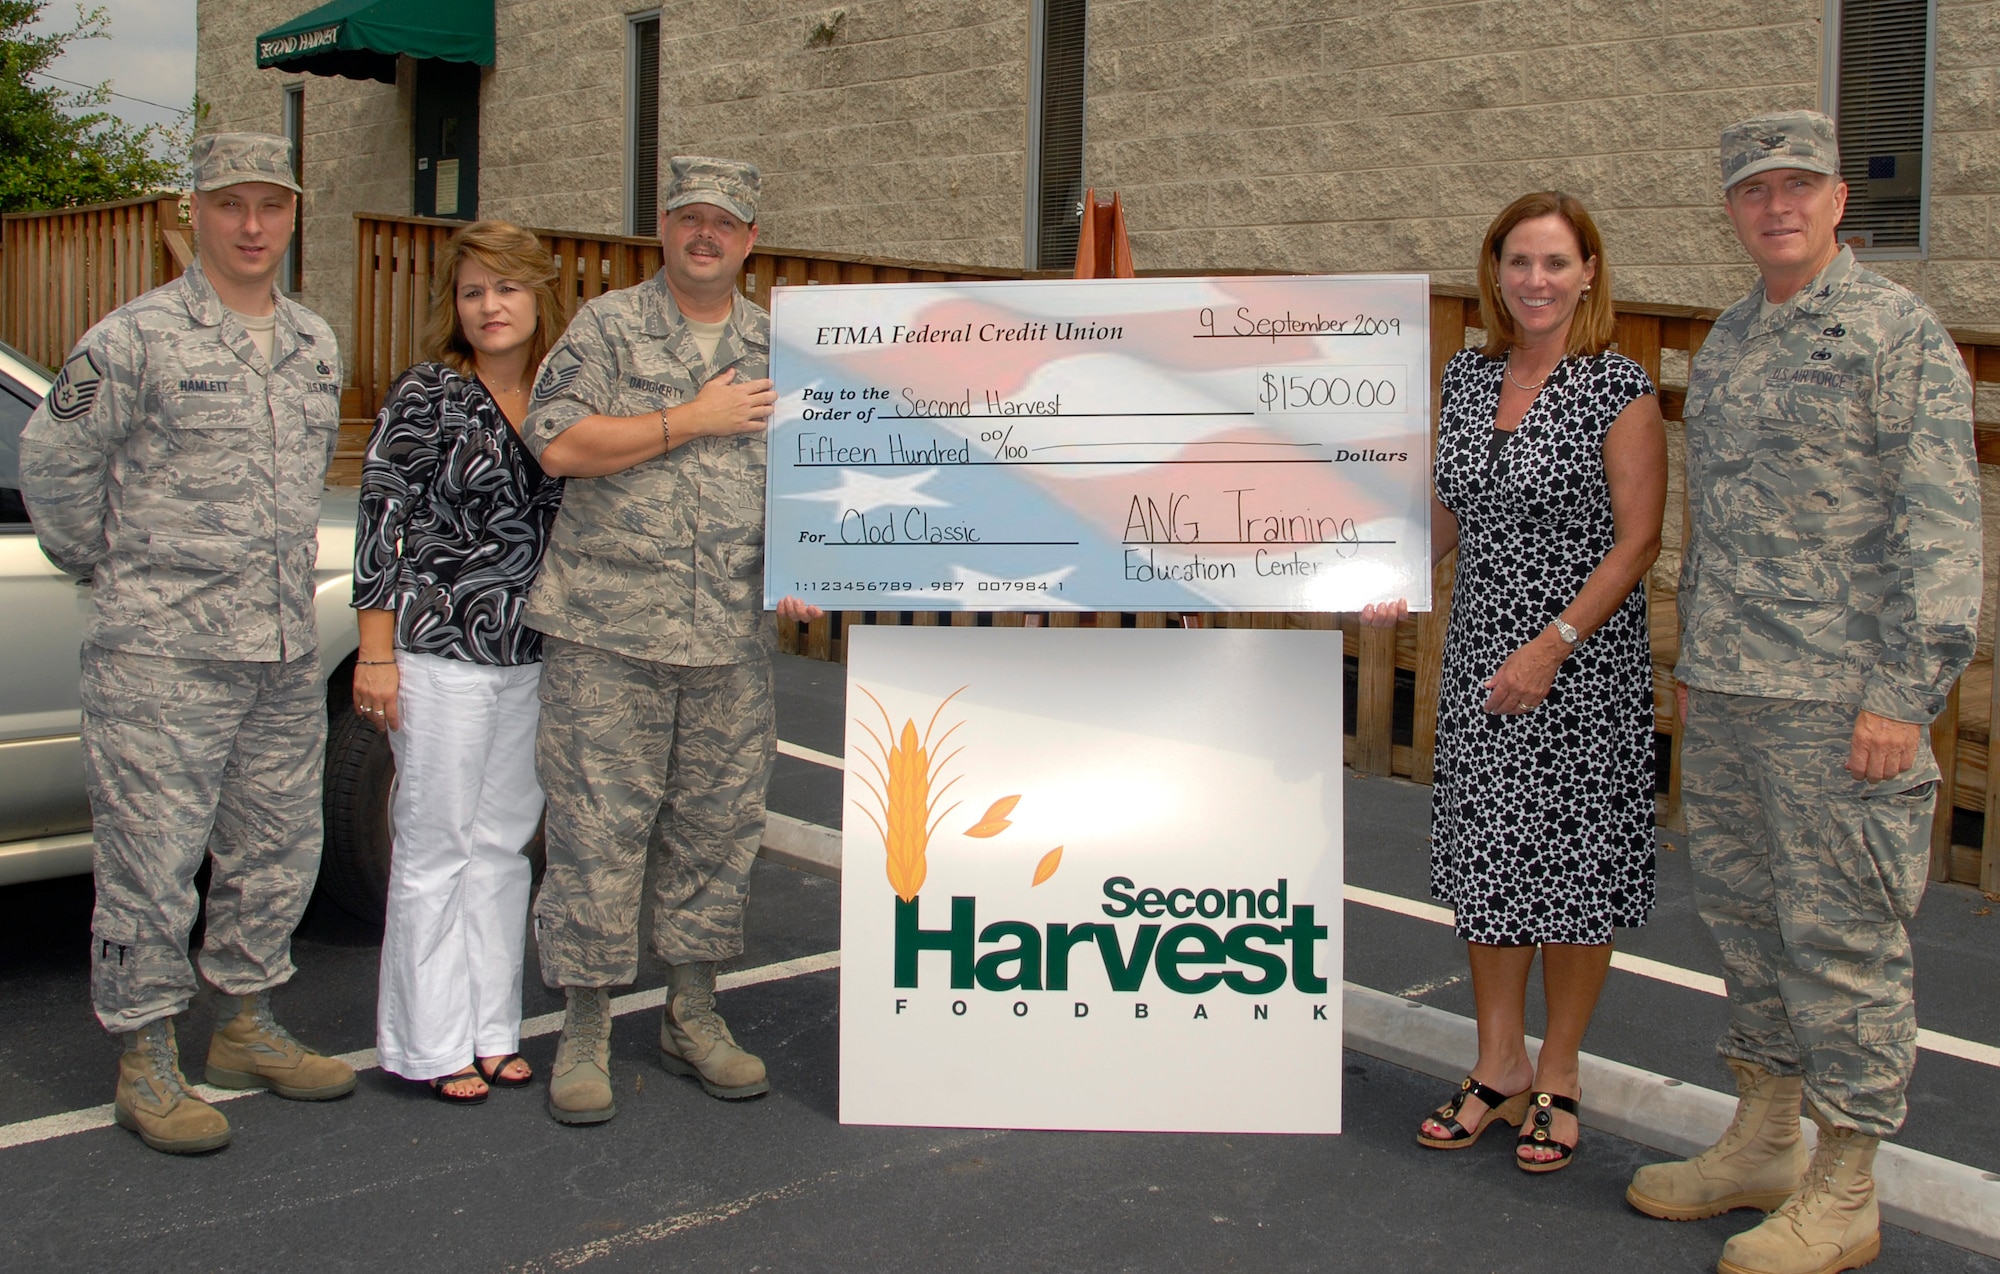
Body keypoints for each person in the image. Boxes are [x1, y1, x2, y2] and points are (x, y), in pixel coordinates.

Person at [1625, 112, 1981, 1274]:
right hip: (1730, 691)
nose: (1773, 205)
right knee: (1746, 923)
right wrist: (1692, 662)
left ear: (1837, 200)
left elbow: (1939, 529)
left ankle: (1845, 1180)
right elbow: (1721, 523)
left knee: (1843, 942)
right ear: (1730, 211)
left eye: (1797, 186)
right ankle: (1765, 1136)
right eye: (1751, 190)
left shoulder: (1894, 334)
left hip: (1841, 704)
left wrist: (1900, 694)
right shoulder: (1729, 336)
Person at [17, 133, 356, 1154]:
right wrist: (121, 573)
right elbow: (55, 467)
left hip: (281, 648)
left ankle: (244, 1024)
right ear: (191, 216)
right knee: (152, 862)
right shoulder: (132, 339)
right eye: (228, 206)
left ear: (293, 215)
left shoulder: (312, 341)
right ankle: (145, 1053)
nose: (251, 227)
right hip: (161, 656)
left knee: (275, 848)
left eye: (270, 206)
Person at [1363, 191, 1667, 1173]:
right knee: (1489, 859)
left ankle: (1562, 1070)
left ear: (1587, 273)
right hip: (1478, 657)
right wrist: (1394, 576)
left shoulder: (1616, 386)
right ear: (1495, 271)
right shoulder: (1468, 373)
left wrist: (1553, 642)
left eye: (1554, 262)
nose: (1534, 280)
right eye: (1517, 261)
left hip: (1578, 663)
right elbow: (1449, 508)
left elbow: (1637, 540)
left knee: (1571, 869)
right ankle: (1496, 1064)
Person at [521, 155, 822, 1125]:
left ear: (747, 240)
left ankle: (692, 1011)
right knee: (595, 830)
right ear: (663, 226)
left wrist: (808, 565)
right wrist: (688, 418)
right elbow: (558, 443)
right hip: (606, 633)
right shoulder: (606, 328)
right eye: (689, 217)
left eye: (723, 223)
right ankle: (583, 1023)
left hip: (729, 638)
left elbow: (810, 479)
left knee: (717, 830)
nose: (705, 235)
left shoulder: (780, 350)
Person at [350, 221, 568, 1103]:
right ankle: (426, 1040)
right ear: (456, 305)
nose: (490, 306)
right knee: (436, 844)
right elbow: (380, 520)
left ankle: (490, 1029)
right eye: (474, 291)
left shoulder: (564, 394)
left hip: (529, 653)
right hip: (437, 650)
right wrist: (374, 653)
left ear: (537, 297)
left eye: (507, 289)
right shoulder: (428, 393)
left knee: (504, 846)